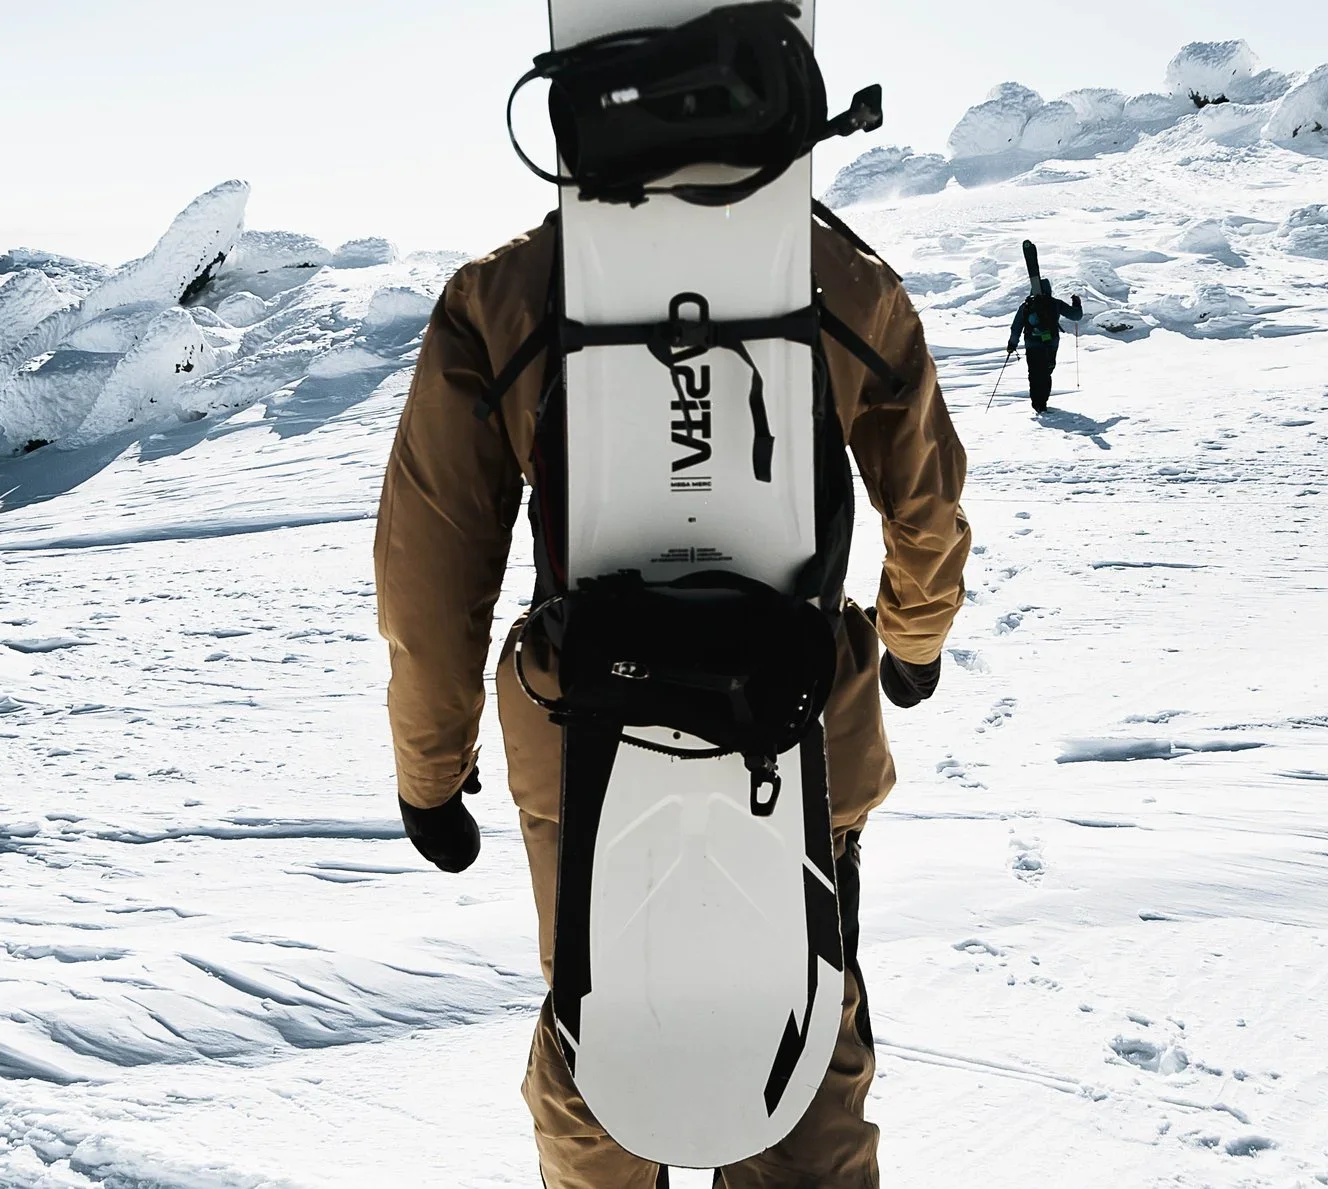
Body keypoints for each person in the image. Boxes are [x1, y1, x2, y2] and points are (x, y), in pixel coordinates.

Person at [376, 206, 970, 1189]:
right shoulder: (836, 269)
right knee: (800, 1026)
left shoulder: (504, 294)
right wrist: (914, 635)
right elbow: (923, 490)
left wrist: (431, 773)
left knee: (597, 1015)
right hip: (800, 724)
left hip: (582, 729)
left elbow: (430, 566)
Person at [1006, 275, 1082, 412]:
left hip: (1032, 344)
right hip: (1050, 344)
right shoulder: (1055, 303)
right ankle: (1043, 401)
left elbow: (1016, 326)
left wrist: (1012, 344)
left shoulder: (1026, 306)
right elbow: (1076, 316)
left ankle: (1037, 403)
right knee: (1046, 372)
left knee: (1034, 373)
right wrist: (1077, 304)